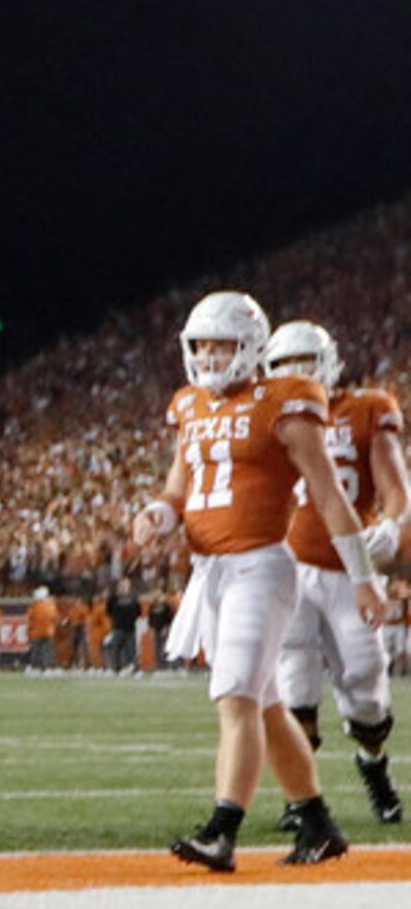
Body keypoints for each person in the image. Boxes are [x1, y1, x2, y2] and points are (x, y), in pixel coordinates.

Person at [137, 293, 378, 871]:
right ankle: (317, 823)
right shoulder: (189, 406)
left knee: (236, 695)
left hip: (261, 567)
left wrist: (363, 576)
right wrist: (157, 515)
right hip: (210, 574)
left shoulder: (283, 401)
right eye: (201, 345)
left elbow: (327, 493)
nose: (211, 356)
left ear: (250, 348)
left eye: (221, 344)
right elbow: (178, 490)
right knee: (268, 706)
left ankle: (223, 829)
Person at [259, 322, 404, 828]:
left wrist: (393, 520)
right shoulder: (266, 416)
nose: (295, 373)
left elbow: (393, 480)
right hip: (289, 566)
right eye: (283, 365)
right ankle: (301, 801)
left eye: (304, 360)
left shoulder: (367, 408)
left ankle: (373, 763)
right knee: (294, 686)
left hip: (350, 571)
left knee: (365, 688)